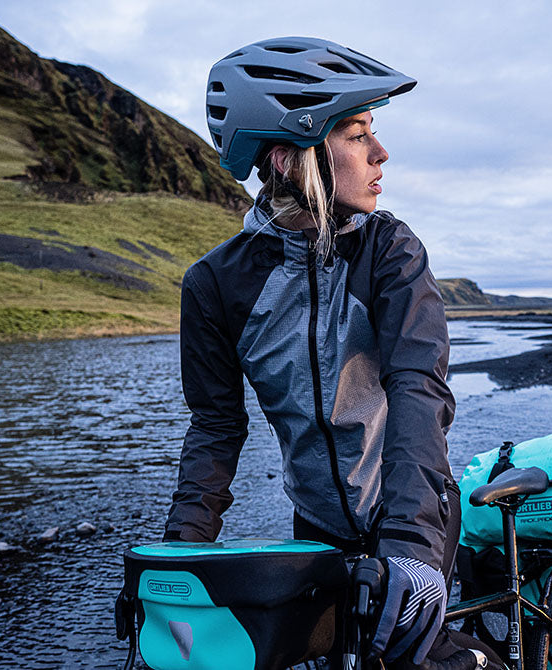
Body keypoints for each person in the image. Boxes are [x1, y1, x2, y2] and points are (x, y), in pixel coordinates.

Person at [162, 37, 491, 667]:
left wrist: (412, 549)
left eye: (374, 132)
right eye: (356, 133)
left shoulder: (388, 250)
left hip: (411, 509)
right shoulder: (216, 284)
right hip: (315, 526)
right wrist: (178, 555)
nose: (381, 153)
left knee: (411, 656)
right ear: (289, 157)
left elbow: (418, 386)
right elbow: (215, 426)